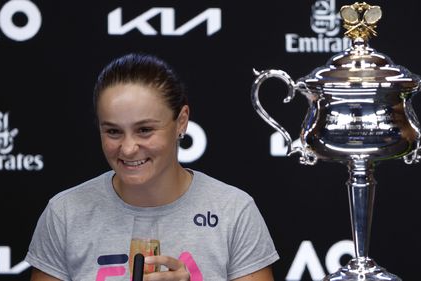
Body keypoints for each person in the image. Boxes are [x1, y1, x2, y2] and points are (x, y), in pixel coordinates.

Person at [25, 53, 279, 281]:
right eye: (113, 131)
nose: (127, 148)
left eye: (144, 130)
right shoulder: (65, 214)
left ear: (181, 121)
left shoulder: (233, 211)